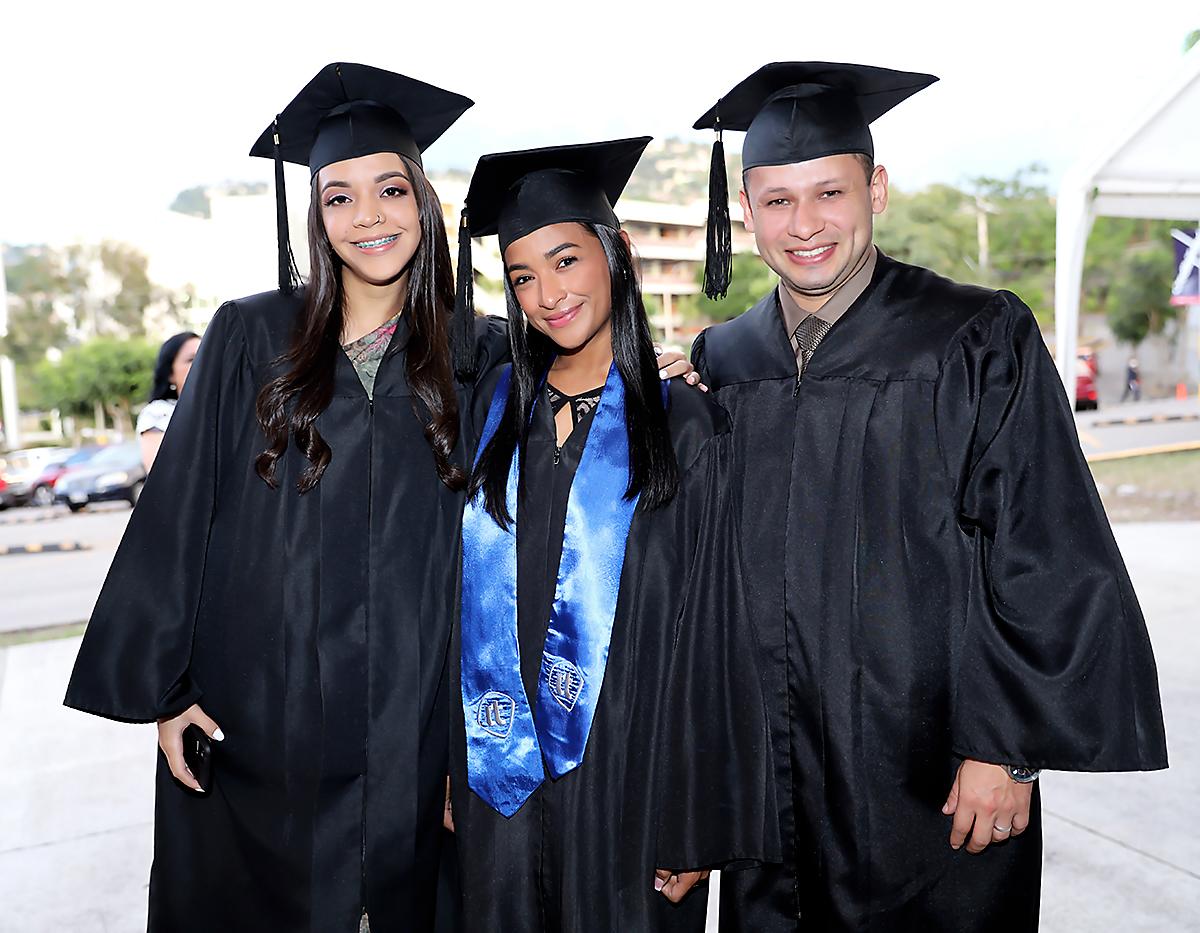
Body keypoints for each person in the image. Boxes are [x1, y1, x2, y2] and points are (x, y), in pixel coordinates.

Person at [689, 62, 1168, 932]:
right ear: (746, 210)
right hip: (773, 799)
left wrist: (1007, 747)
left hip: (933, 786)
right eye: (777, 200)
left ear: (876, 187)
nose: (805, 226)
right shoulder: (724, 363)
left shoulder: (974, 334)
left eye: (828, 192)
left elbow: (1040, 541)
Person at [64, 62, 490, 933]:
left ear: (424, 201)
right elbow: (179, 510)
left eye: (390, 189)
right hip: (261, 719)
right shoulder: (251, 334)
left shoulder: (478, 354)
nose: (368, 216)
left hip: (415, 723)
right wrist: (165, 687)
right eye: (339, 197)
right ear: (314, 214)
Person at [448, 138, 778, 932]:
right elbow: (445, 600)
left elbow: (717, 629)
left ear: (617, 251)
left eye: (565, 261)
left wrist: (698, 811)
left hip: (636, 778)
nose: (547, 294)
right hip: (501, 776)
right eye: (523, 276)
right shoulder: (491, 412)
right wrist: (446, 769)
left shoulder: (683, 422)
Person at [138, 331, 200, 471]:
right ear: (170, 373)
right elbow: (161, 472)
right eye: (191, 359)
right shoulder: (158, 413)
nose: (202, 364)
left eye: (205, 357)